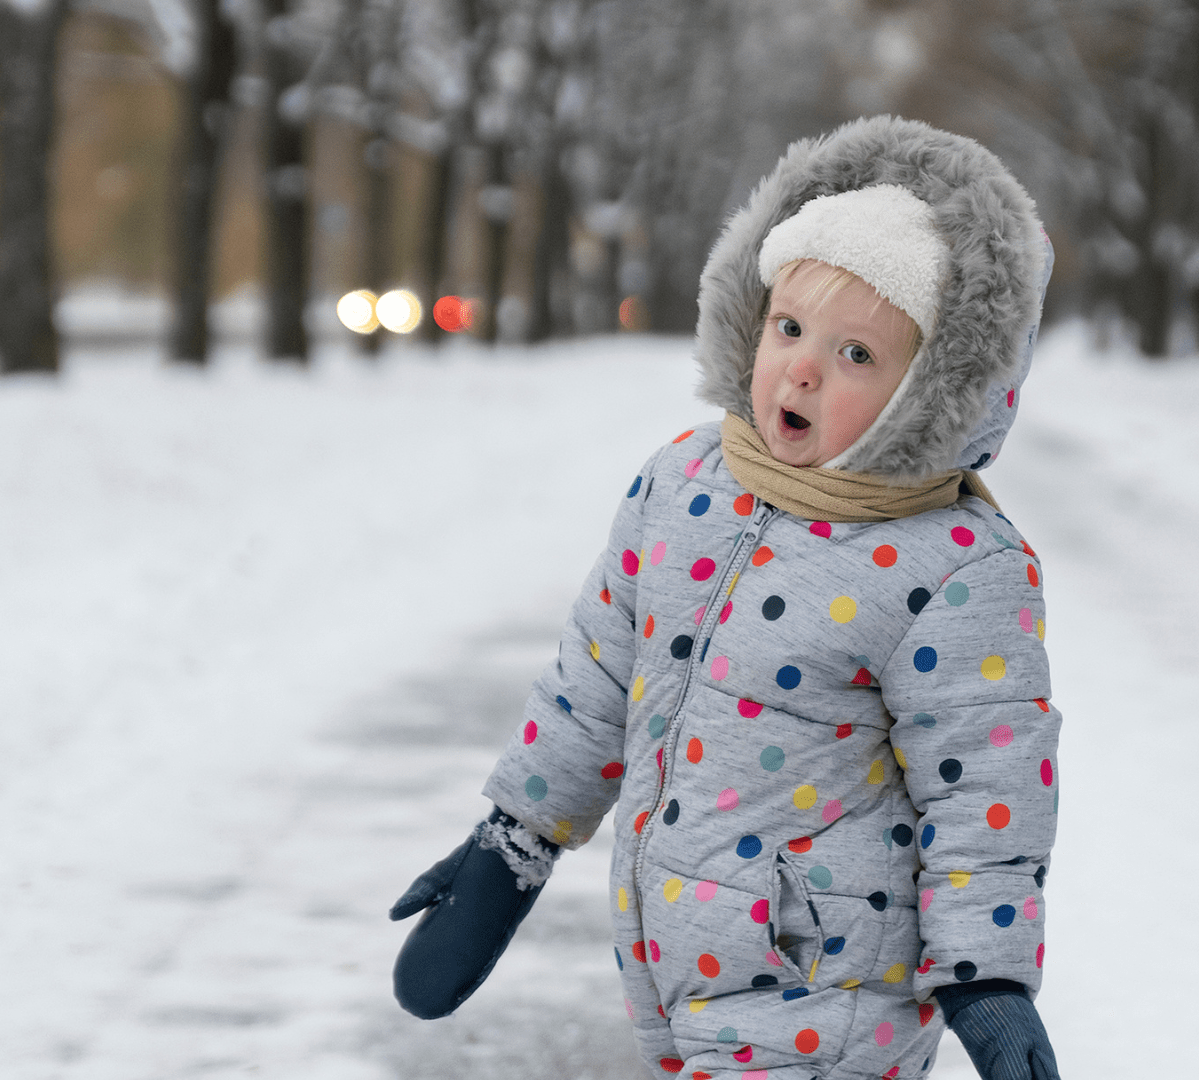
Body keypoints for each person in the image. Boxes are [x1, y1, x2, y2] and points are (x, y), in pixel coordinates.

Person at [390, 115, 1062, 1080]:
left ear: (934, 389)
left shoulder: (954, 565)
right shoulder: (684, 483)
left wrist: (985, 979)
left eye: (858, 356)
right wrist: (514, 843)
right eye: (789, 328)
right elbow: (594, 676)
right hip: (670, 949)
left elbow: (989, 789)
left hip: (827, 985)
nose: (802, 367)